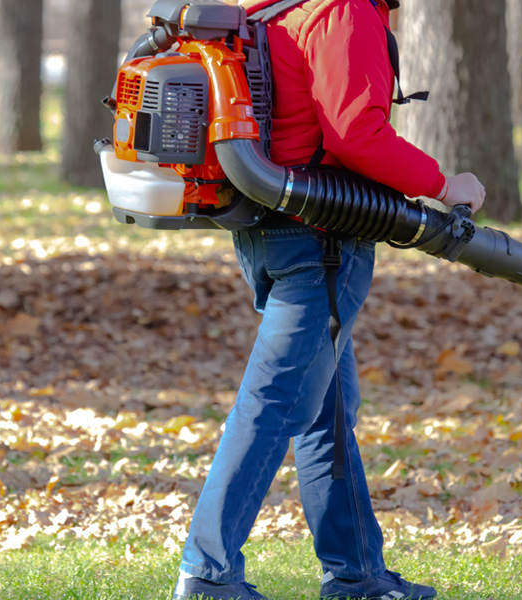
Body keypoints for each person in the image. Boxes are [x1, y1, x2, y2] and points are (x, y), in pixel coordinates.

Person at [173, 1, 486, 599]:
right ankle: (207, 575)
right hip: (319, 241)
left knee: (328, 410)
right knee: (273, 404)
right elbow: (356, 135)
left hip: (267, 229)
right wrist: (447, 185)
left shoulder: (268, 6)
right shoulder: (342, 10)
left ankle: (356, 574)